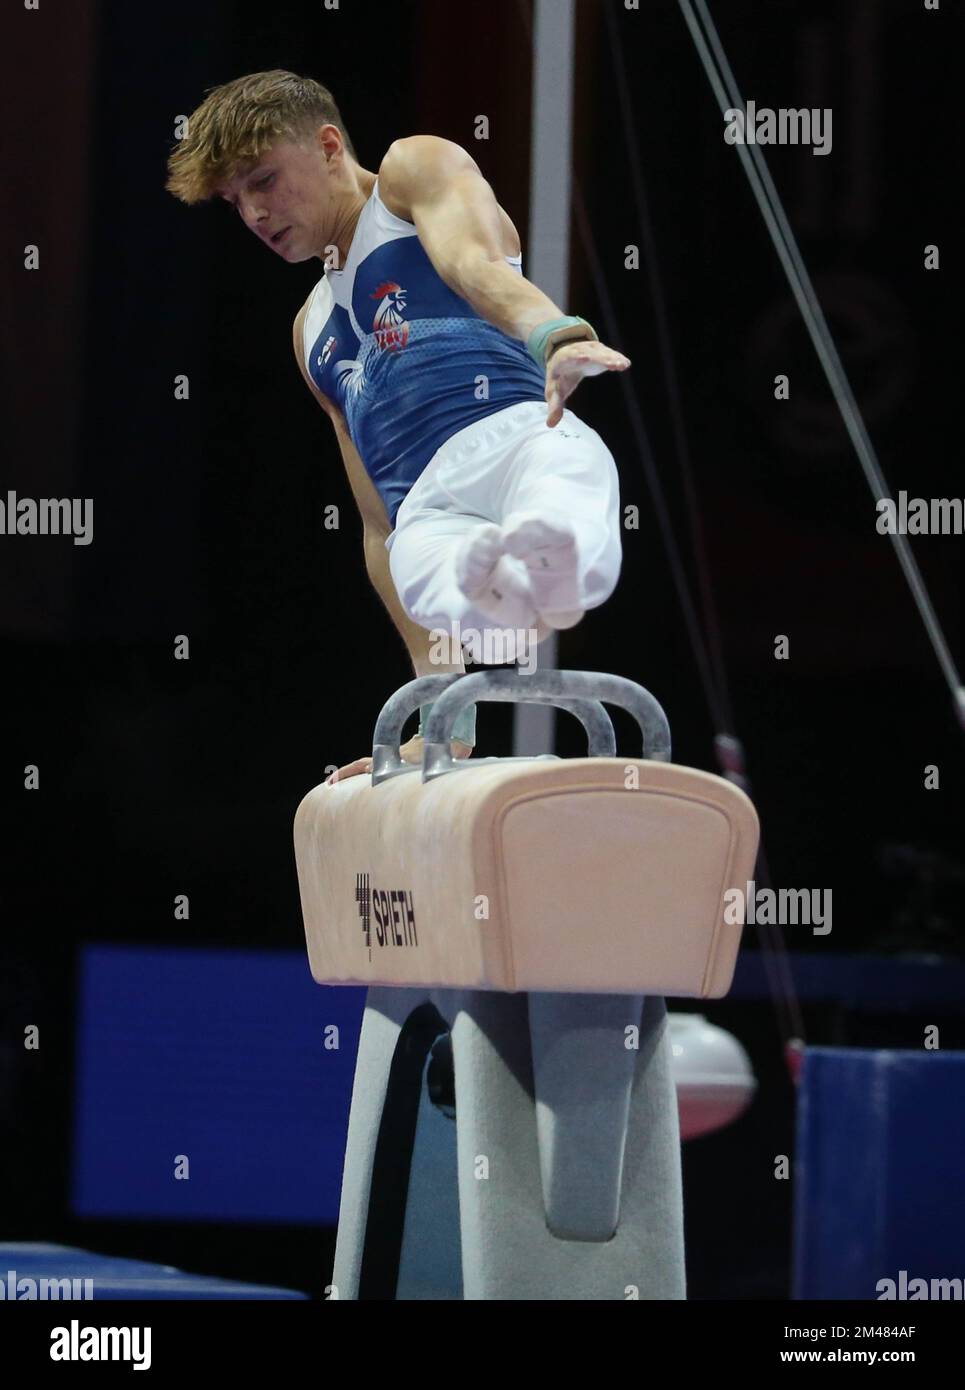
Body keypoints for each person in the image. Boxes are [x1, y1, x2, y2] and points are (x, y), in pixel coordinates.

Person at [166, 70, 629, 783]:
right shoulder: (310, 333)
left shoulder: (413, 175)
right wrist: (445, 705)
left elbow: (472, 265)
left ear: (327, 145)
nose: (254, 214)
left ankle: (552, 567)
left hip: (515, 433)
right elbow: (378, 524)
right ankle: (506, 583)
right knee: (424, 564)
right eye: (235, 200)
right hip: (430, 508)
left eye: (263, 180)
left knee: (560, 479)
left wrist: (556, 336)